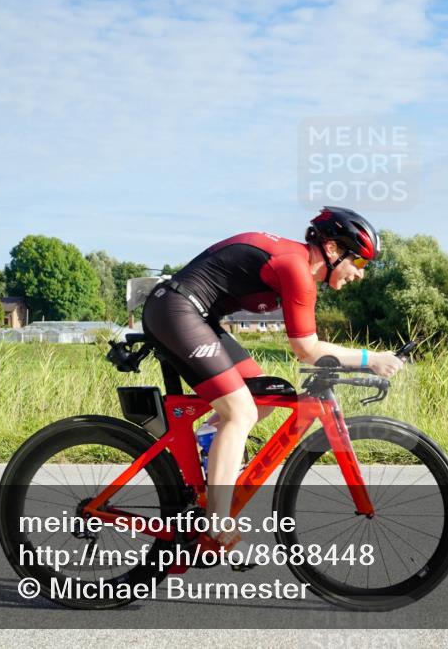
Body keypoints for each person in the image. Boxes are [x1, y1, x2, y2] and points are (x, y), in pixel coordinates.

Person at [140, 207, 404, 564]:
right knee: (240, 411)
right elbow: (306, 349)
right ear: (330, 249)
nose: (359, 273)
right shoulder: (296, 267)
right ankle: (217, 525)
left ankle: (208, 450)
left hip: (194, 316)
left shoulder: (300, 266)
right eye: (357, 261)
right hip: (176, 311)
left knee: (265, 396)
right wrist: (371, 358)